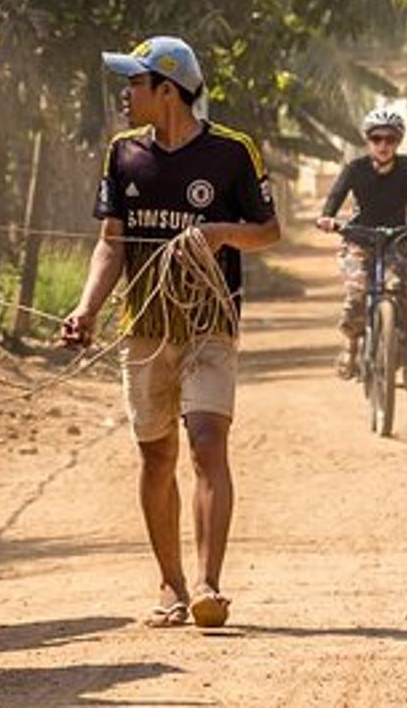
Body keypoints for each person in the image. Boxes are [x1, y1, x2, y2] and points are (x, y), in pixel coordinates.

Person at [61, 35, 280, 629]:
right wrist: (85, 309)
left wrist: (219, 234)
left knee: (207, 442)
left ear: (169, 90)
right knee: (155, 454)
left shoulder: (233, 153)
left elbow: (268, 231)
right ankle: (171, 584)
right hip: (144, 326)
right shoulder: (123, 154)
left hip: (210, 319)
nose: (125, 96)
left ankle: (210, 584)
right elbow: (112, 245)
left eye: (134, 84)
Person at [316, 109, 407, 389]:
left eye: (391, 139)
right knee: (357, 292)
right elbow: (336, 196)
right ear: (367, 140)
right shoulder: (355, 168)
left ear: (399, 141)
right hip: (359, 238)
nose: (383, 145)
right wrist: (328, 217)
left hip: (397, 239)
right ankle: (350, 347)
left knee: (397, 291)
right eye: (376, 138)